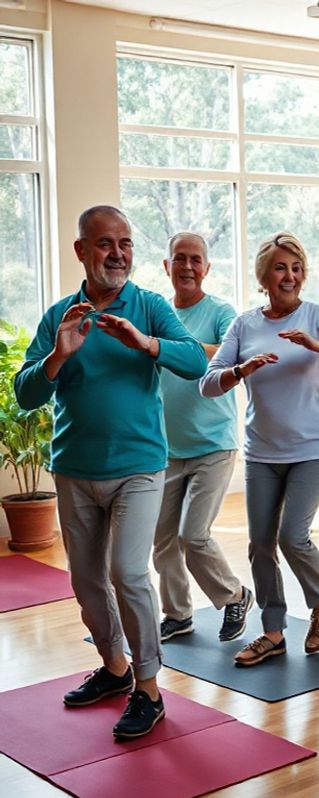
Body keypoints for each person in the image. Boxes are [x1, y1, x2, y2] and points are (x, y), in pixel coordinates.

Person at [14, 205, 207, 738]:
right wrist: (57, 355)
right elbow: (25, 394)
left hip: (140, 466)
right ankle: (115, 669)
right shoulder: (59, 315)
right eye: (105, 243)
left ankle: (148, 687)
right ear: (81, 250)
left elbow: (195, 361)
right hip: (75, 468)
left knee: (128, 573)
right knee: (87, 582)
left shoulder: (147, 307)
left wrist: (146, 344)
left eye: (125, 242)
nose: (118, 253)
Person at [200, 232, 319, 665]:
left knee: (293, 536)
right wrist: (240, 369)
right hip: (262, 452)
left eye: (296, 268)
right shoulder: (244, 324)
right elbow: (208, 383)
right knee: (259, 544)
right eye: (280, 267)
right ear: (263, 276)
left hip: (312, 448)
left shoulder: (317, 316)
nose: (289, 276)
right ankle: (273, 632)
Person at [153, 232, 253, 643]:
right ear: (167, 266)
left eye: (196, 260)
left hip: (214, 443)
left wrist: (176, 348)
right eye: (180, 259)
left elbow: (235, 353)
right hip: (168, 447)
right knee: (162, 541)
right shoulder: (158, 314)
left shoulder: (220, 311)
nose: (188, 267)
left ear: (207, 268)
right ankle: (178, 614)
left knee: (193, 535)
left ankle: (235, 595)